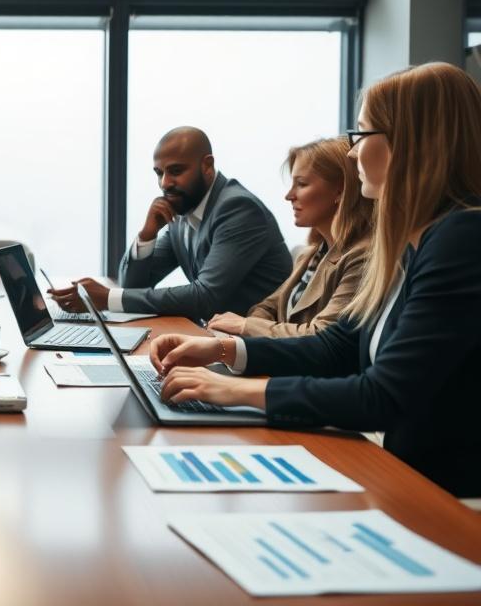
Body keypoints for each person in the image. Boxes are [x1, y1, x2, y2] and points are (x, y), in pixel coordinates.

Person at [149, 62, 481, 498]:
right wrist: (225, 349)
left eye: (360, 136)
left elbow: (381, 396)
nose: (351, 153)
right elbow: (337, 347)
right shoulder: (410, 243)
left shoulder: (461, 239)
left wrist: (236, 390)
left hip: (448, 499)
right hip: (400, 473)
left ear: (411, 145)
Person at [50, 127, 292, 321]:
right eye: (159, 173)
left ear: (207, 165)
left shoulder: (237, 208)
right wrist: (147, 235)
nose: (165, 183)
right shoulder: (183, 209)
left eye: (175, 171)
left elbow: (205, 296)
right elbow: (133, 285)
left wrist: (108, 298)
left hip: (255, 351)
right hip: (216, 340)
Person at [207, 137, 373, 337]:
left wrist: (246, 326)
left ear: (340, 190)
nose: (289, 195)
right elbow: (267, 307)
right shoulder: (310, 254)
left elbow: (322, 336)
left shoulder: (362, 257)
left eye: (301, 184)